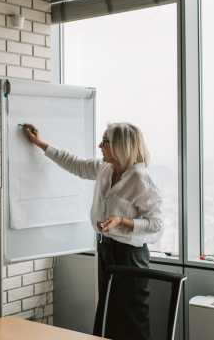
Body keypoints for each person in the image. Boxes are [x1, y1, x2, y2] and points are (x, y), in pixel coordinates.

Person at [23, 122, 163, 340]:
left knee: (132, 320)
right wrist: (40, 144)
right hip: (107, 249)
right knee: (108, 315)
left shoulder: (140, 180)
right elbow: (74, 163)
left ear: (120, 146)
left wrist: (122, 221)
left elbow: (156, 225)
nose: (100, 145)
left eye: (105, 142)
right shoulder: (105, 169)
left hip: (130, 257)